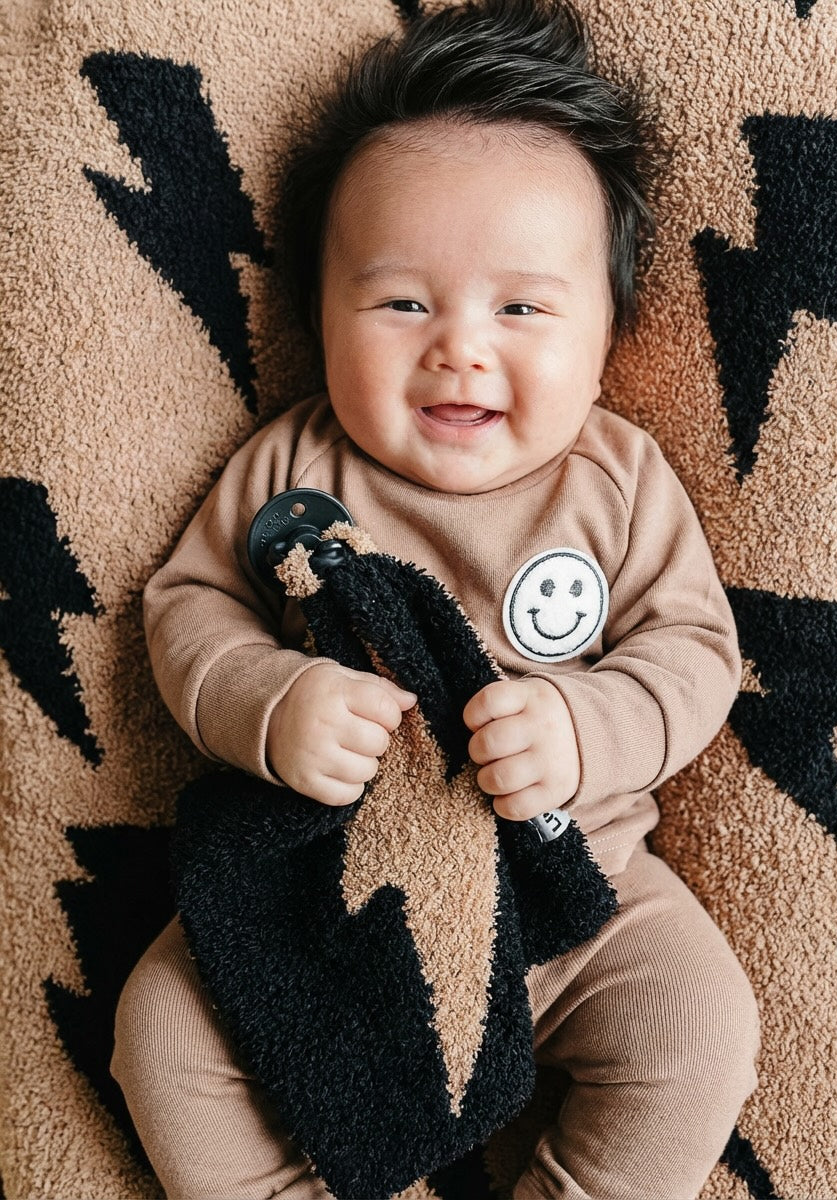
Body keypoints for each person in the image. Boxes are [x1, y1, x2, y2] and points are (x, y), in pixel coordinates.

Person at [111, 0, 760, 1196]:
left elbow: (691, 653)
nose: (458, 347)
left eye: (521, 308)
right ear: (318, 313)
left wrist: (580, 730)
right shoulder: (296, 467)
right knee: (160, 1027)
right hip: (327, 902)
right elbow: (188, 609)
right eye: (403, 302)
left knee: (700, 1026)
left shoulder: (615, 479)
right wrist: (272, 702)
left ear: (606, 333)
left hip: (576, 886)